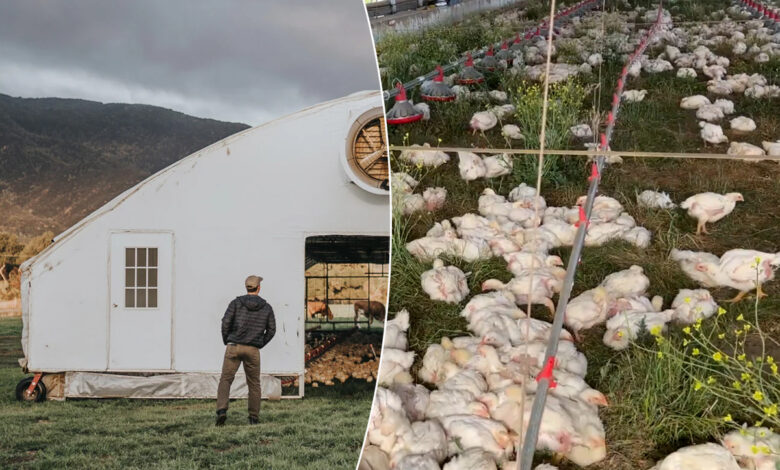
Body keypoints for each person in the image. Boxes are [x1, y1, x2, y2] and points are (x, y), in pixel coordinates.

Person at [216, 275, 276, 426]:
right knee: (254, 384)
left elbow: (225, 323)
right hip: (253, 350)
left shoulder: (235, 303)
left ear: (246, 287)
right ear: (259, 288)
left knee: (226, 380)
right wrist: (260, 343)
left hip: (233, 347)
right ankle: (253, 417)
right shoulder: (267, 307)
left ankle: (222, 410)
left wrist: (227, 340)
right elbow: (272, 330)